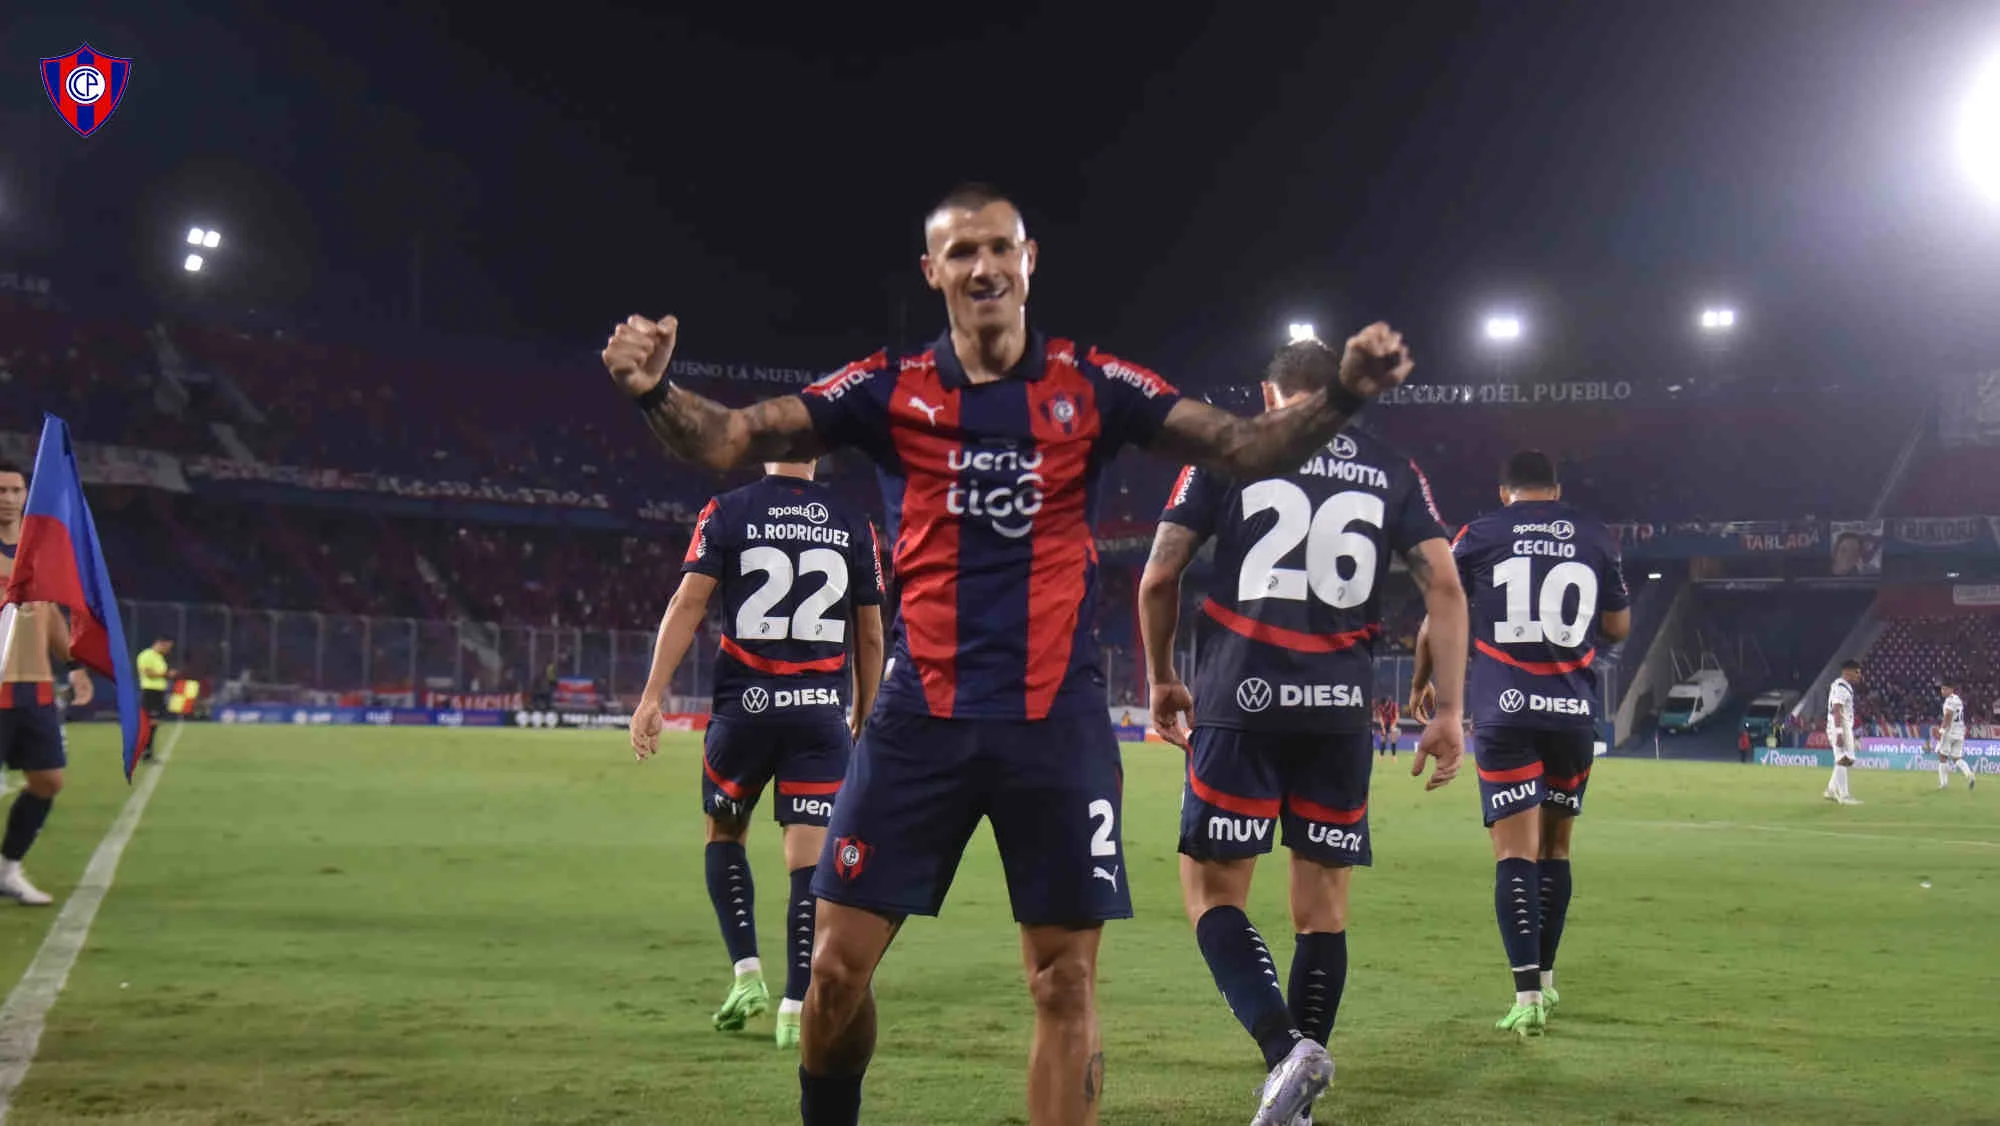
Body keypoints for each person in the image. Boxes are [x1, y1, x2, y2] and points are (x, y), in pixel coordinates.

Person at [600, 183, 1414, 1126]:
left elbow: (1244, 444)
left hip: (1055, 722)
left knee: (1064, 982)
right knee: (832, 975)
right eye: (962, 251)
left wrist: (1344, 393)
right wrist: (655, 390)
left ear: (1029, 261)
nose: (983, 266)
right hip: (920, 719)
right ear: (932, 272)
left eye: (1000, 247)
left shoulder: (1094, 385)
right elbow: (734, 437)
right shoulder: (887, 388)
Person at [1137, 343, 1467, 1126]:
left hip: (1239, 701)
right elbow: (1447, 587)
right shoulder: (1393, 467)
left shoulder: (1231, 450)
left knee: (1211, 893)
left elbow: (1159, 574)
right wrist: (1450, 711)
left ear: (1268, 394)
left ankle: (1285, 1050)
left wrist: (1161, 676)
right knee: (1323, 910)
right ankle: (1299, 1099)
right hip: (1339, 712)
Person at [629, 458, 886, 1050]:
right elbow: (871, 633)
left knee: (724, 833)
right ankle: (796, 1006)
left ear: (765, 449)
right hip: (818, 715)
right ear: (817, 455)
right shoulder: (853, 522)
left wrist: (651, 696)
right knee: (807, 861)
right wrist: (864, 714)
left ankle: (746, 973)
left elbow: (687, 603)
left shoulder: (726, 510)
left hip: (743, 714)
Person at [1410, 450, 1630, 1038]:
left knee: (1514, 855)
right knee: (1555, 850)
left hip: (1504, 711)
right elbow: (1617, 626)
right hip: (1572, 712)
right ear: (1555, 490)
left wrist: (1422, 682)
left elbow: (1438, 611)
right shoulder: (1596, 536)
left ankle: (1526, 995)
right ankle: (1549, 982)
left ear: (1504, 492)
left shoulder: (1480, 534)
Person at [0, 460, 95, 906]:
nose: (7, 498)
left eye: (15, 490)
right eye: (0, 491)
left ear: (26, 495)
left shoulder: (38, 549)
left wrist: (73, 664)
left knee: (48, 781)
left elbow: (51, 612)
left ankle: (8, 869)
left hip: (35, 686)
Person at [1824, 661, 1862, 806]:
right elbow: (1836, 709)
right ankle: (1844, 795)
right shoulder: (1841, 688)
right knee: (1843, 758)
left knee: (1846, 759)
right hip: (1839, 725)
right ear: (1848, 672)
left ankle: (1831, 790)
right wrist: (1839, 732)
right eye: (1857, 672)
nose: (1859, 675)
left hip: (1842, 725)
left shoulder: (1843, 686)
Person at [136, 636, 174, 763]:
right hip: (150, 692)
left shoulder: (159, 657)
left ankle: (148, 751)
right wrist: (166, 674)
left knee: (155, 722)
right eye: (168, 647)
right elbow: (148, 673)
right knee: (150, 722)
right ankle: (144, 751)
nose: (169, 650)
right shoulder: (146, 655)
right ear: (160, 643)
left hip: (158, 693)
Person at [1933, 680, 1976, 791]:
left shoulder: (1949, 701)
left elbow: (1948, 716)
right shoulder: (1958, 700)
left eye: (1945, 689)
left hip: (1949, 732)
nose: (1942, 691)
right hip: (1960, 732)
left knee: (1942, 756)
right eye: (1942, 689)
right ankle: (1969, 774)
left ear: (1951, 689)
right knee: (1956, 758)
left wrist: (1941, 731)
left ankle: (1944, 784)